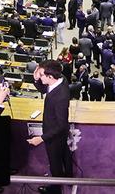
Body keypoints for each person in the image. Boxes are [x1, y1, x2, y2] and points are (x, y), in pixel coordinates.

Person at [28, 60, 73, 194]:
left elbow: (62, 125)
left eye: (41, 74)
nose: (39, 76)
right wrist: (36, 79)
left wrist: (41, 138)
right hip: (57, 132)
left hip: (54, 134)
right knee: (64, 154)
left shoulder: (61, 97)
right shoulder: (60, 78)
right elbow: (43, 88)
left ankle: (56, 189)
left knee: (55, 163)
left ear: (50, 77)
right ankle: (69, 177)